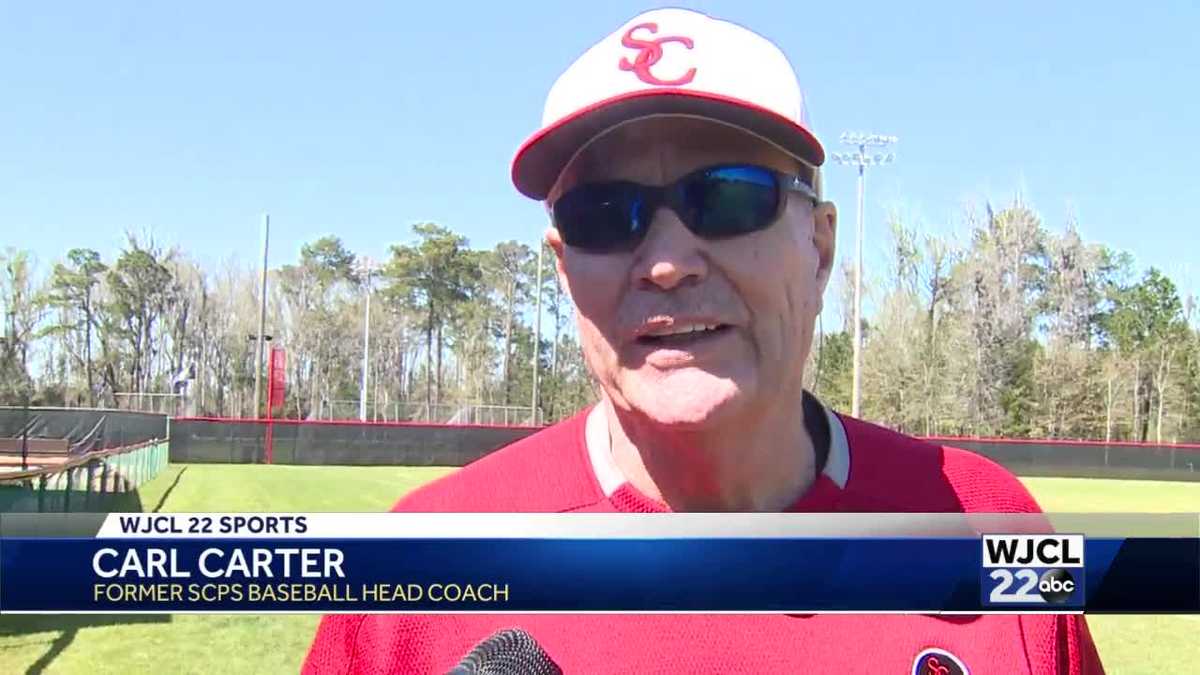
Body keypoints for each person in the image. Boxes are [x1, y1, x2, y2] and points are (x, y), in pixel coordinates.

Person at [305, 8, 1103, 674]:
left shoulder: (990, 527)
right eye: (604, 215)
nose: (665, 261)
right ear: (561, 268)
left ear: (821, 248)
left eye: (726, 197)